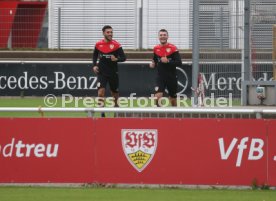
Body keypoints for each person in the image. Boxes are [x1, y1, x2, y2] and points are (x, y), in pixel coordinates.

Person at [92, 25, 126, 116]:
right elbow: (95, 55)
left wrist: (116, 59)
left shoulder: (116, 45)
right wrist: (94, 65)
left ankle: (116, 110)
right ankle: (102, 113)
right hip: (102, 72)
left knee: (114, 94)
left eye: (111, 32)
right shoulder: (98, 44)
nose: (110, 34)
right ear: (103, 33)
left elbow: (124, 57)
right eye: (108, 32)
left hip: (113, 72)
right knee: (100, 93)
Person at [149, 29, 182, 106]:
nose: (162, 37)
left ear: (167, 36)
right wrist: (153, 65)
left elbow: (179, 63)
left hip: (171, 77)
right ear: (158, 37)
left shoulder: (173, 48)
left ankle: (175, 115)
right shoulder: (156, 48)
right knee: (157, 97)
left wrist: (168, 61)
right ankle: (159, 115)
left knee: (173, 99)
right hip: (160, 77)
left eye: (164, 35)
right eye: (161, 35)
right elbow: (155, 61)